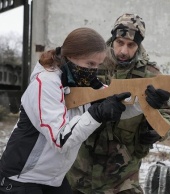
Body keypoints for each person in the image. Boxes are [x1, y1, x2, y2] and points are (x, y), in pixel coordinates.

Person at [0, 27, 133, 194]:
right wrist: (96, 114)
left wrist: (144, 100)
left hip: (53, 178)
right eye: (90, 64)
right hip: (22, 178)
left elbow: (118, 102)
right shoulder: (46, 83)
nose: (93, 71)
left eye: (97, 65)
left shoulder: (80, 82)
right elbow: (60, 140)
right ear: (70, 56)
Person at [66, 13, 170, 194]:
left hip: (123, 173)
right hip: (80, 167)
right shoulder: (93, 61)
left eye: (131, 45)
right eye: (120, 43)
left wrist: (155, 129)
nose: (124, 51)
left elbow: (168, 115)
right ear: (113, 39)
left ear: (138, 45)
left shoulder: (151, 74)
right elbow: (66, 99)